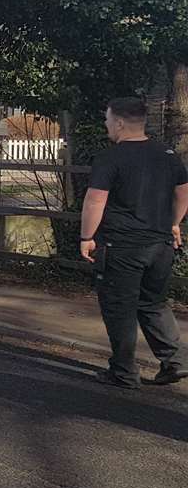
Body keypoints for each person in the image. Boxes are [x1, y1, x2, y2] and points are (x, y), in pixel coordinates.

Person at [79, 97, 188, 389]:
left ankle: (124, 371)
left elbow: (95, 201)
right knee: (153, 302)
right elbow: (183, 193)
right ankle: (175, 361)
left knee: (119, 307)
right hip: (161, 245)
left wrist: (87, 237)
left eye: (107, 120)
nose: (106, 126)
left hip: (123, 245)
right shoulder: (167, 154)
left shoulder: (110, 157)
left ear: (119, 123)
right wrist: (173, 223)